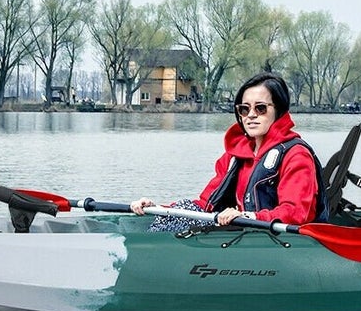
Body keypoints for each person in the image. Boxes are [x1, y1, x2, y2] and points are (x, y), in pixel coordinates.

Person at [130, 72, 325, 227]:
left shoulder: (296, 155)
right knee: (182, 209)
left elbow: (296, 212)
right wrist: (158, 209)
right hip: (244, 233)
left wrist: (248, 216)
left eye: (261, 108)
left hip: (279, 240)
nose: (251, 115)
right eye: (244, 109)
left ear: (279, 111)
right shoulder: (234, 156)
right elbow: (204, 205)